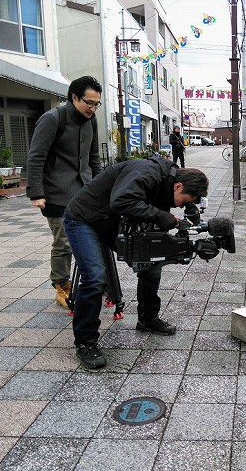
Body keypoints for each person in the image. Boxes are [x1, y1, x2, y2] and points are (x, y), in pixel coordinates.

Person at [63, 157, 209, 369]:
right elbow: (122, 200)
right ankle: (86, 342)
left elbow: (146, 208)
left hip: (112, 221)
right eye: (185, 200)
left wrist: (187, 215)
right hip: (84, 219)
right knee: (95, 277)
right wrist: (163, 217)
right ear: (178, 185)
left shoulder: (166, 182)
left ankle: (147, 319)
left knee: (152, 262)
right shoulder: (147, 172)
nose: (182, 205)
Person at [26, 76, 103, 311]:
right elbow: (36, 156)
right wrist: (36, 193)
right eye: (88, 103)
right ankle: (62, 286)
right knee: (64, 243)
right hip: (57, 194)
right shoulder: (53, 119)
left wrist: (100, 187)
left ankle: (95, 283)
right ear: (73, 98)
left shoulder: (92, 121)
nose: (92, 108)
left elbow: (94, 158)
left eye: (96, 103)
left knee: (93, 239)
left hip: (85, 193)